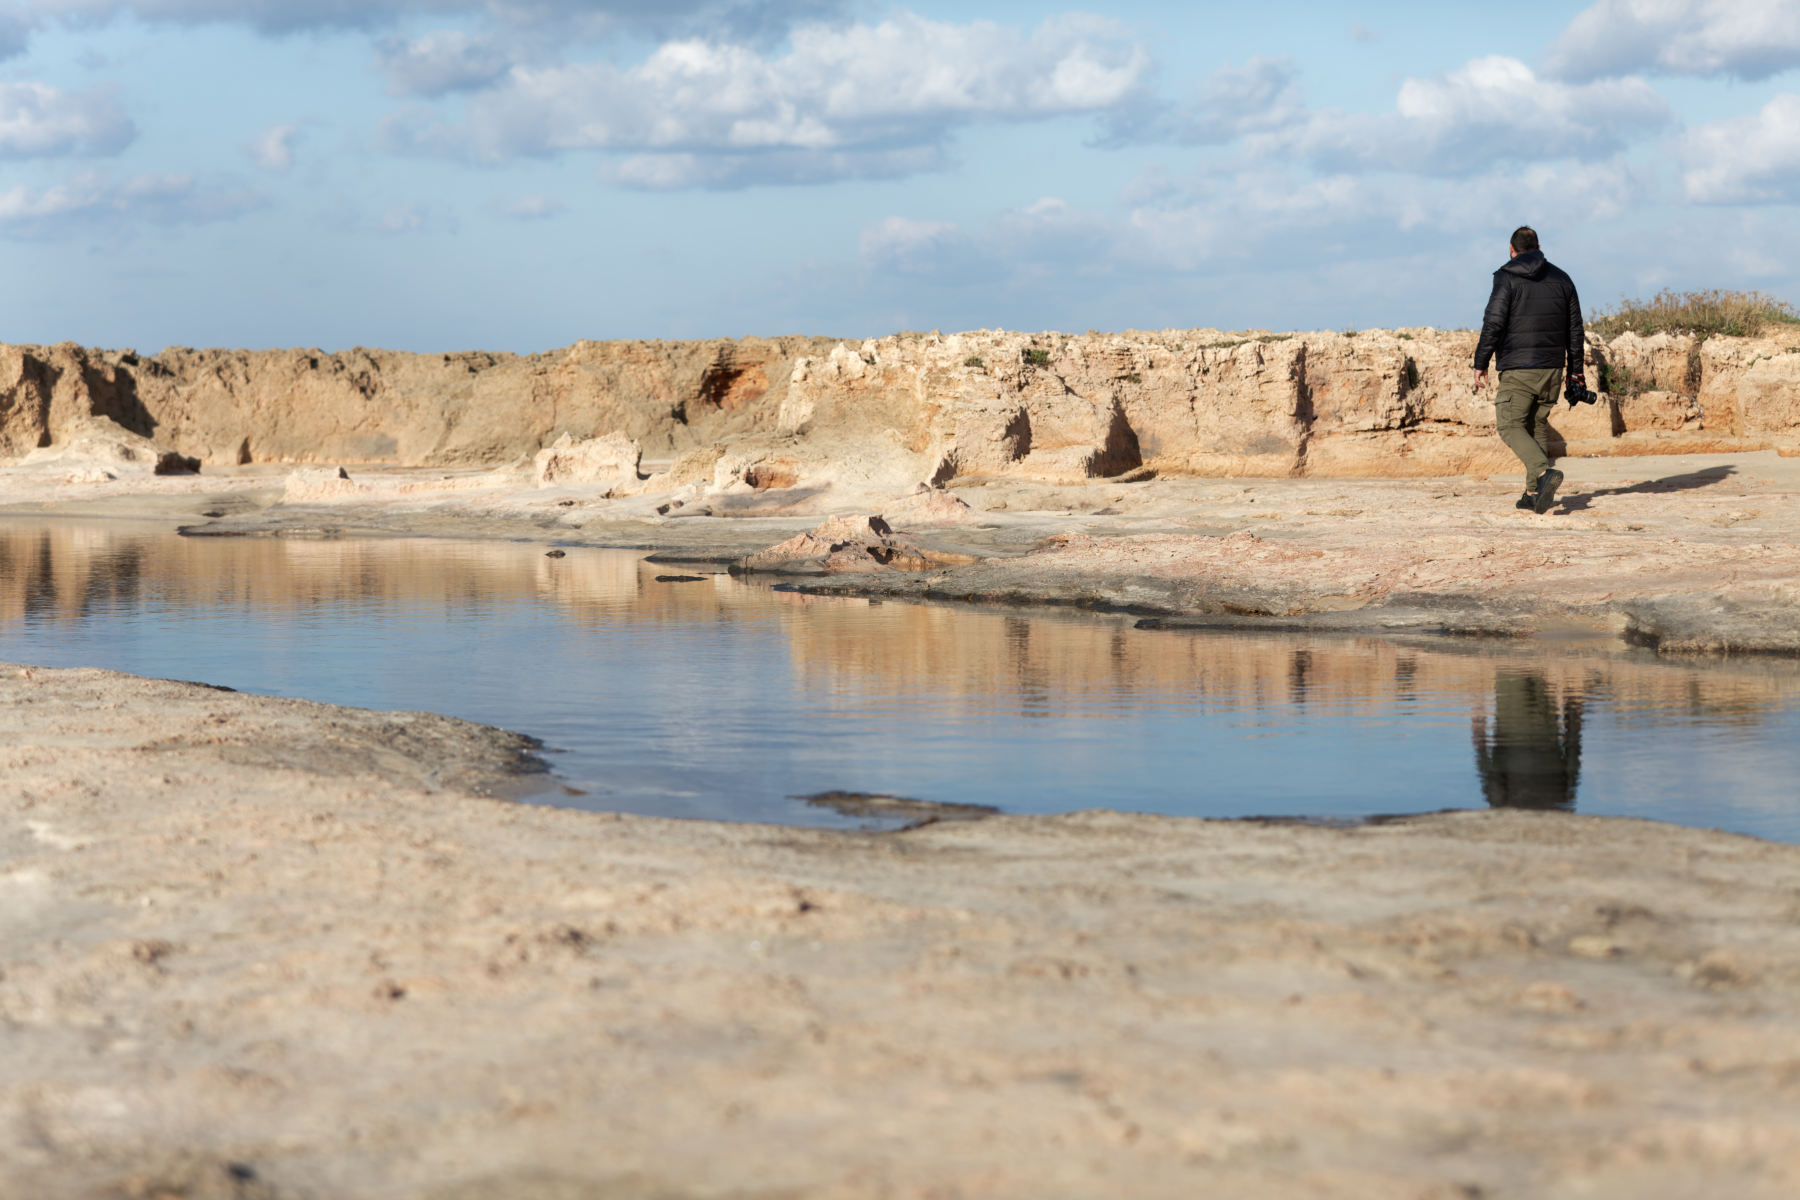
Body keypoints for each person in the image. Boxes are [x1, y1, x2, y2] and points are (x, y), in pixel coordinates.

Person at [1471, 226, 1588, 515]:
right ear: (1538, 247)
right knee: (1535, 425)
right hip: (1552, 368)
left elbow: (1494, 322)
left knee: (1509, 425)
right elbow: (1575, 330)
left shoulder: (1506, 277)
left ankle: (1542, 472)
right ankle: (1533, 492)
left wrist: (1481, 362)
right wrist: (1576, 371)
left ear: (1511, 249)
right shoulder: (1562, 278)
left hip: (1518, 367)